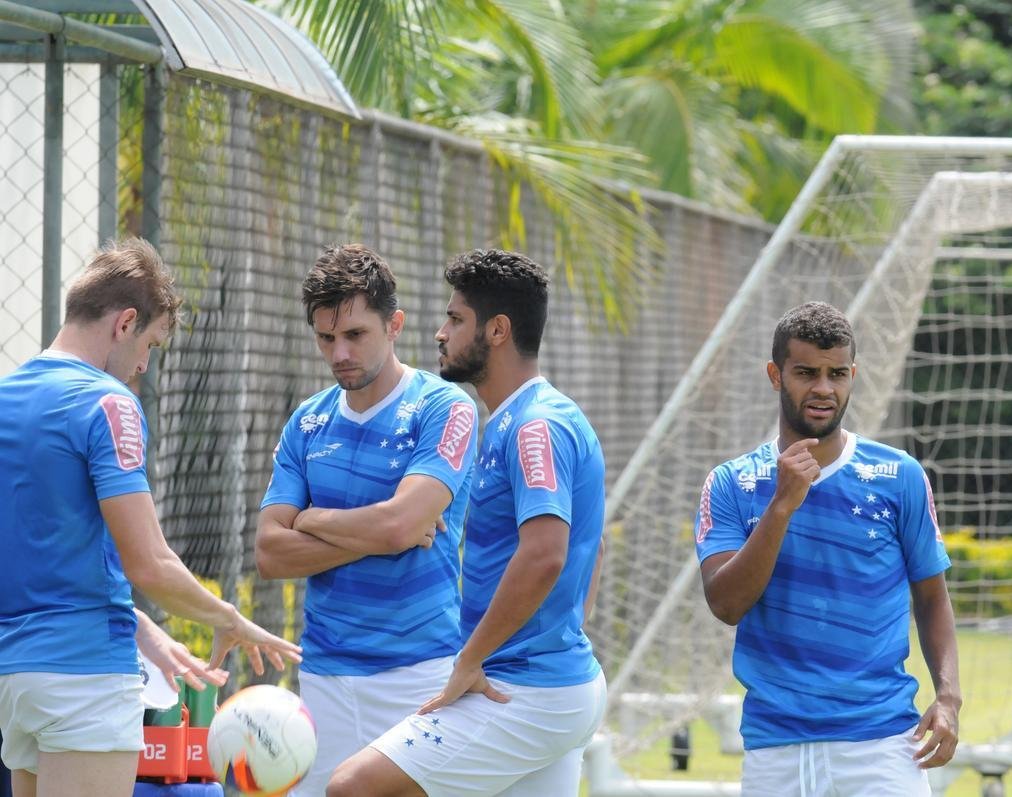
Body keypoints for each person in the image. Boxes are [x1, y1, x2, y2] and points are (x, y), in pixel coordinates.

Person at [0, 238, 302, 797]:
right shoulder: (109, 403)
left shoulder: (7, 397)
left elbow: (43, 562)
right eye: (150, 344)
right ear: (125, 323)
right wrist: (227, 618)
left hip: (17, 678)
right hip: (85, 676)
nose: (143, 364)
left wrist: (144, 632)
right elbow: (150, 564)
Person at [326, 249, 607, 797]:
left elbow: (545, 554)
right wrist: (559, 631)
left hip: (524, 690)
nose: (440, 333)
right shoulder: (528, 418)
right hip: (551, 685)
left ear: (497, 330)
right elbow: (591, 548)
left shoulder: (534, 427)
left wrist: (472, 659)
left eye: (455, 319)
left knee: (350, 787)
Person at [695, 301, 960, 796]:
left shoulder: (899, 476)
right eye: (806, 373)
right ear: (775, 375)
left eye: (836, 374)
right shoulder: (731, 483)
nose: (823, 388)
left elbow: (932, 598)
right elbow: (726, 604)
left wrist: (948, 696)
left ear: (852, 376)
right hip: (776, 748)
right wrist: (780, 507)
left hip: (882, 745)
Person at [254, 244, 478, 796]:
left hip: (418, 675)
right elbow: (270, 553)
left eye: (355, 334)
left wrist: (311, 518)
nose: (339, 353)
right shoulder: (307, 422)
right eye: (326, 338)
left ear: (394, 325)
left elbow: (401, 525)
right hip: (323, 677)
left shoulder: (444, 408)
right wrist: (384, 533)